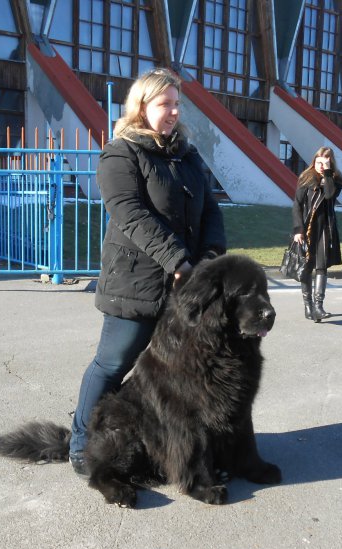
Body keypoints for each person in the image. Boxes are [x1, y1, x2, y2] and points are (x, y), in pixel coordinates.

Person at [69, 68, 226, 476]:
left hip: (185, 285)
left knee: (176, 372)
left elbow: (210, 210)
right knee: (112, 364)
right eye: (164, 104)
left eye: (177, 104)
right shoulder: (121, 153)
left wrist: (207, 260)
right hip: (136, 283)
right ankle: (81, 445)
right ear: (141, 107)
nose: (173, 112)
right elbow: (129, 214)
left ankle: (170, 447)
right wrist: (177, 260)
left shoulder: (187, 156)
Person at [291, 147, 342, 323]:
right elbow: (297, 205)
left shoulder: (336, 180)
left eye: (325, 163)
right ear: (313, 161)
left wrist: (328, 174)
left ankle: (318, 306)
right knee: (306, 266)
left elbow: (330, 194)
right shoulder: (306, 178)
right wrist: (298, 230)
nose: (320, 166)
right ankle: (308, 306)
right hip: (307, 229)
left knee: (321, 266)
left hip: (325, 228)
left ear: (330, 163)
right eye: (318, 162)